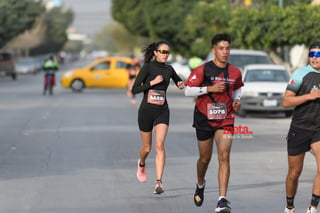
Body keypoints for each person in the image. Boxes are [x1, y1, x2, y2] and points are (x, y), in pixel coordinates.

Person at [184, 33, 243, 213]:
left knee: (224, 156)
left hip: (225, 118)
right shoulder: (203, 70)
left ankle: (222, 200)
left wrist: (237, 101)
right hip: (204, 117)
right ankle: (200, 183)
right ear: (214, 50)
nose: (225, 52)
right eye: (221, 49)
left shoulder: (235, 71)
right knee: (205, 158)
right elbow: (187, 90)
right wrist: (209, 88)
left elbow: (238, 87)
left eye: (227, 48)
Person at [131, 40, 185, 194]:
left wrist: (181, 84)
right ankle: (141, 163)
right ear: (155, 52)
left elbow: (178, 81)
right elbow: (134, 89)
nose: (165, 55)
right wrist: (152, 83)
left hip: (162, 110)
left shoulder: (169, 69)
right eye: (162, 52)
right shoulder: (148, 67)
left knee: (160, 145)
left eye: (167, 52)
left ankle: (158, 182)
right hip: (146, 111)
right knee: (147, 148)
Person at [282, 41, 320, 213]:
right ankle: (289, 206)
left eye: (317, 55)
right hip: (300, 127)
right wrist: (309, 97)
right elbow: (286, 101)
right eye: (311, 54)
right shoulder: (301, 74)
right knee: (294, 173)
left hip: (318, 129)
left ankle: (313, 207)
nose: (314, 58)